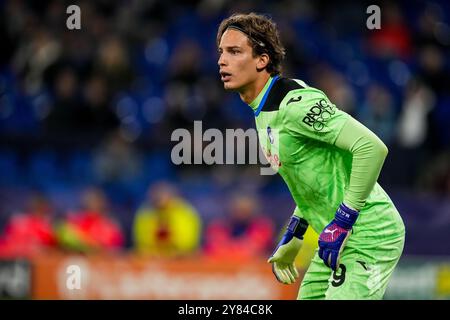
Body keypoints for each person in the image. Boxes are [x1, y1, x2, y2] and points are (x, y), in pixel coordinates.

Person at [216, 13, 405, 300]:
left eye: (234, 51)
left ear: (262, 60)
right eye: (221, 52)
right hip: (335, 235)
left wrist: (343, 221)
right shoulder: (263, 109)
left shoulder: (295, 104)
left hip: (369, 234)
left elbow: (371, 148)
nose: (222, 60)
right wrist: (295, 232)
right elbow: (315, 179)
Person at [133, 181, 202, 257]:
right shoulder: (146, 213)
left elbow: (187, 243)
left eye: (162, 195)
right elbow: (142, 242)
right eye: (156, 196)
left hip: (180, 257)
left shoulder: (183, 211)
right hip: (153, 256)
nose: (159, 198)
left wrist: (176, 250)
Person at [204, 193, 273, 261]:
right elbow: (215, 251)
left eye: (245, 210)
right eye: (238, 209)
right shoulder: (218, 227)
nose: (241, 213)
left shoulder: (262, 227)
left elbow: (253, 251)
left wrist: (230, 248)